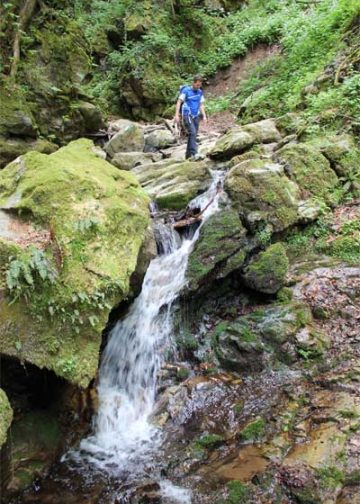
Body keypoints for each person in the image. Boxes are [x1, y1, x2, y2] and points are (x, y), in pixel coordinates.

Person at [175, 75, 207, 161]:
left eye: (200, 85)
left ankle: (188, 156)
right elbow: (179, 102)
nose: (198, 87)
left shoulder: (200, 92)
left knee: (193, 134)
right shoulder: (186, 91)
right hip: (187, 114)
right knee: (192, 132)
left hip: (196, 115)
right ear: (193, 83)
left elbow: (201, 105)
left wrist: (204, 116)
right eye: (197, 85)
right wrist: (177, 115)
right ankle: (195, 153)